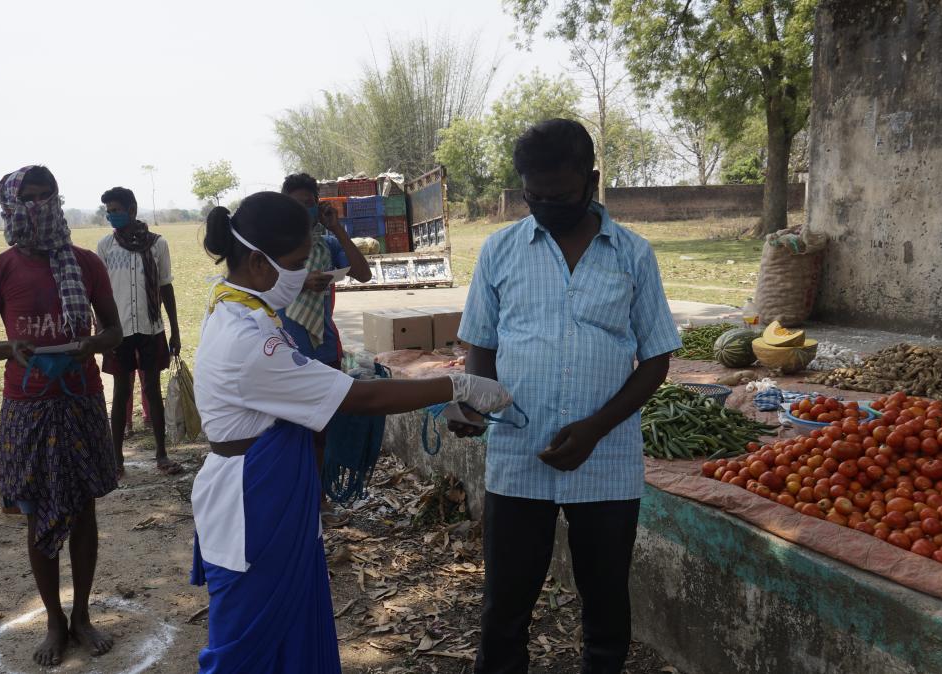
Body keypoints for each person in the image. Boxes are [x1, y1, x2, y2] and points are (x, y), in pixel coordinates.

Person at [189, 191, 512, 673]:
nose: (302, 274)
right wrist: (456, 384)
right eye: (296, 263)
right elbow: (360, 398)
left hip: (268, 487)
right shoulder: (248, 338)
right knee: (248, 643)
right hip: (254, 503)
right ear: (258, 262)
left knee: (291, 627)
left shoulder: (234, 306)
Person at [450, 119, 681, 674]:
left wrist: (596, 428)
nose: (547, 206)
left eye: (561, 195)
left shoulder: (632, 254)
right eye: (535, 197)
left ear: (592, 180)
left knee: (605, 601)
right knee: (505, 603)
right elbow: (480, 342)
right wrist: (474, 403)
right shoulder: (500, 250)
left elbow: (656, 360)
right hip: (517, 456)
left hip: (606, 459)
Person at [0, 165, 122, 667]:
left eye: (47, 196)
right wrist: (10, 349)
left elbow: (114, 332)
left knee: (83, 511)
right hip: (27, 406)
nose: (39, 207)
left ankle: (82, 615)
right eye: (28, 199)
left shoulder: (85, 263)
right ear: (11, 209)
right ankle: (55, 620)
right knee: (36, 512)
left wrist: (89, 346)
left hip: (80, 400)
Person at [279, 173, 373, 523]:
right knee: (288, 431)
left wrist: (338, 230)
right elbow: (263, 285)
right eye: (296, 204)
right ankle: (293, 496)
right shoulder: (273, 247)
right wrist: (299, 280)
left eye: (309, 204)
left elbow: (362, 274)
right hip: (286, 348)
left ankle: (317, 499)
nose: (303, 210)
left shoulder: (326, 245)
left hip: (324, 349)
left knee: (321, 430)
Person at [95, 186, 182, 475]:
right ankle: (116, 459)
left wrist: (175, 331)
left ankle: (161, 454)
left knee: (152, 390)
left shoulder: (157, 245)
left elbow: (166, 287)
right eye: (109, 211)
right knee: (121, 392)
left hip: (151, 327)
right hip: (118, 331)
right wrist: (101, 327)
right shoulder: (106, 247)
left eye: (116, 210)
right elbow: (100, 293)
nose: (112, 216)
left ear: (132, 210)